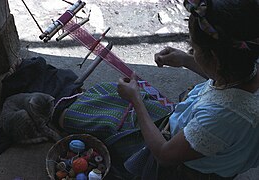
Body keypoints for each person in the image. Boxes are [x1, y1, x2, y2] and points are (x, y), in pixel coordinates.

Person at [58, 0, 259, 179]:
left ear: (214, 58)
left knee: (105, 119)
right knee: (111, 94)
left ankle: (58, 112)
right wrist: (185, 60)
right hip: (209, 141)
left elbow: (164, 155)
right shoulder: (248, 64)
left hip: (184, 167)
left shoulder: (221, 117)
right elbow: (221, 76)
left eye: (193, 49)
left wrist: (135, 101)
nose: (191, 51)